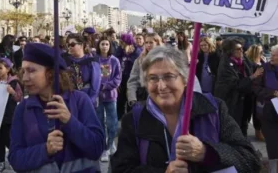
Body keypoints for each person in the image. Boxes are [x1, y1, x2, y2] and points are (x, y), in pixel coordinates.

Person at [111, 46, 261, 173]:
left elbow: (250, 160)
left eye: (169, 76)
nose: (161, 86)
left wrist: (205, 152)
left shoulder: (213, 109)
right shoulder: (134, 119)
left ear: (184, 79)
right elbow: (120, 169)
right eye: (153, 78)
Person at [8, 43, 105, 172]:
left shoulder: (80, 101)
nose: (25, 78)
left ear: (51, 73)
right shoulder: (23, 109)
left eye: (31, 71)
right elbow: (15, 159)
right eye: (23, 71)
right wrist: (45, 150)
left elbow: (97, 148)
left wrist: (70, 122)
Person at [215, 38, 263, 136]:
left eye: (242, 48)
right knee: (234, 128)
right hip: (233, 101)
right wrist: (253, 76)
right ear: (230, 51)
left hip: (245, 100)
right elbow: (236, 85)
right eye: (238, 49)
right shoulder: (225, 65)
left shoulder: (243, 59)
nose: (242, 51)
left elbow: (255, 67)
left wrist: (269, 65)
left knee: (244, 125)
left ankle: (243, 146)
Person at [0, 58, 23, 173]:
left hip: (9, 115)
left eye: (0, 68)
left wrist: (12, 92)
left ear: (8, 69)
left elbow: (20, 97)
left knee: (8, 139)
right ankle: (2, 162)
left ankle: (15, 160)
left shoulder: (14, 82)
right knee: (0, 141)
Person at [253, 45, 278, 173]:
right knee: (272, 142)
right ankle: (273, 169)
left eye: (274, 55)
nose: (271, 57)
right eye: (272, 54)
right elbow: (256, 88)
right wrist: (273, 93)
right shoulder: (263, 69)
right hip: (268, 112)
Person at [96, 37, 121, 162]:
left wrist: (106, 86)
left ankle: (111, 143)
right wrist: (98, 87)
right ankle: (104, 148)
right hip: (98, 97)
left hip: (111, 96)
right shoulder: (95, 60)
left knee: (113, 123)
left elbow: (117, 78)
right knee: (100, 123)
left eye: (107, 44)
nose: (105, 46)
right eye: (102, 44)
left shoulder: (114, 60)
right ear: (99, 45)